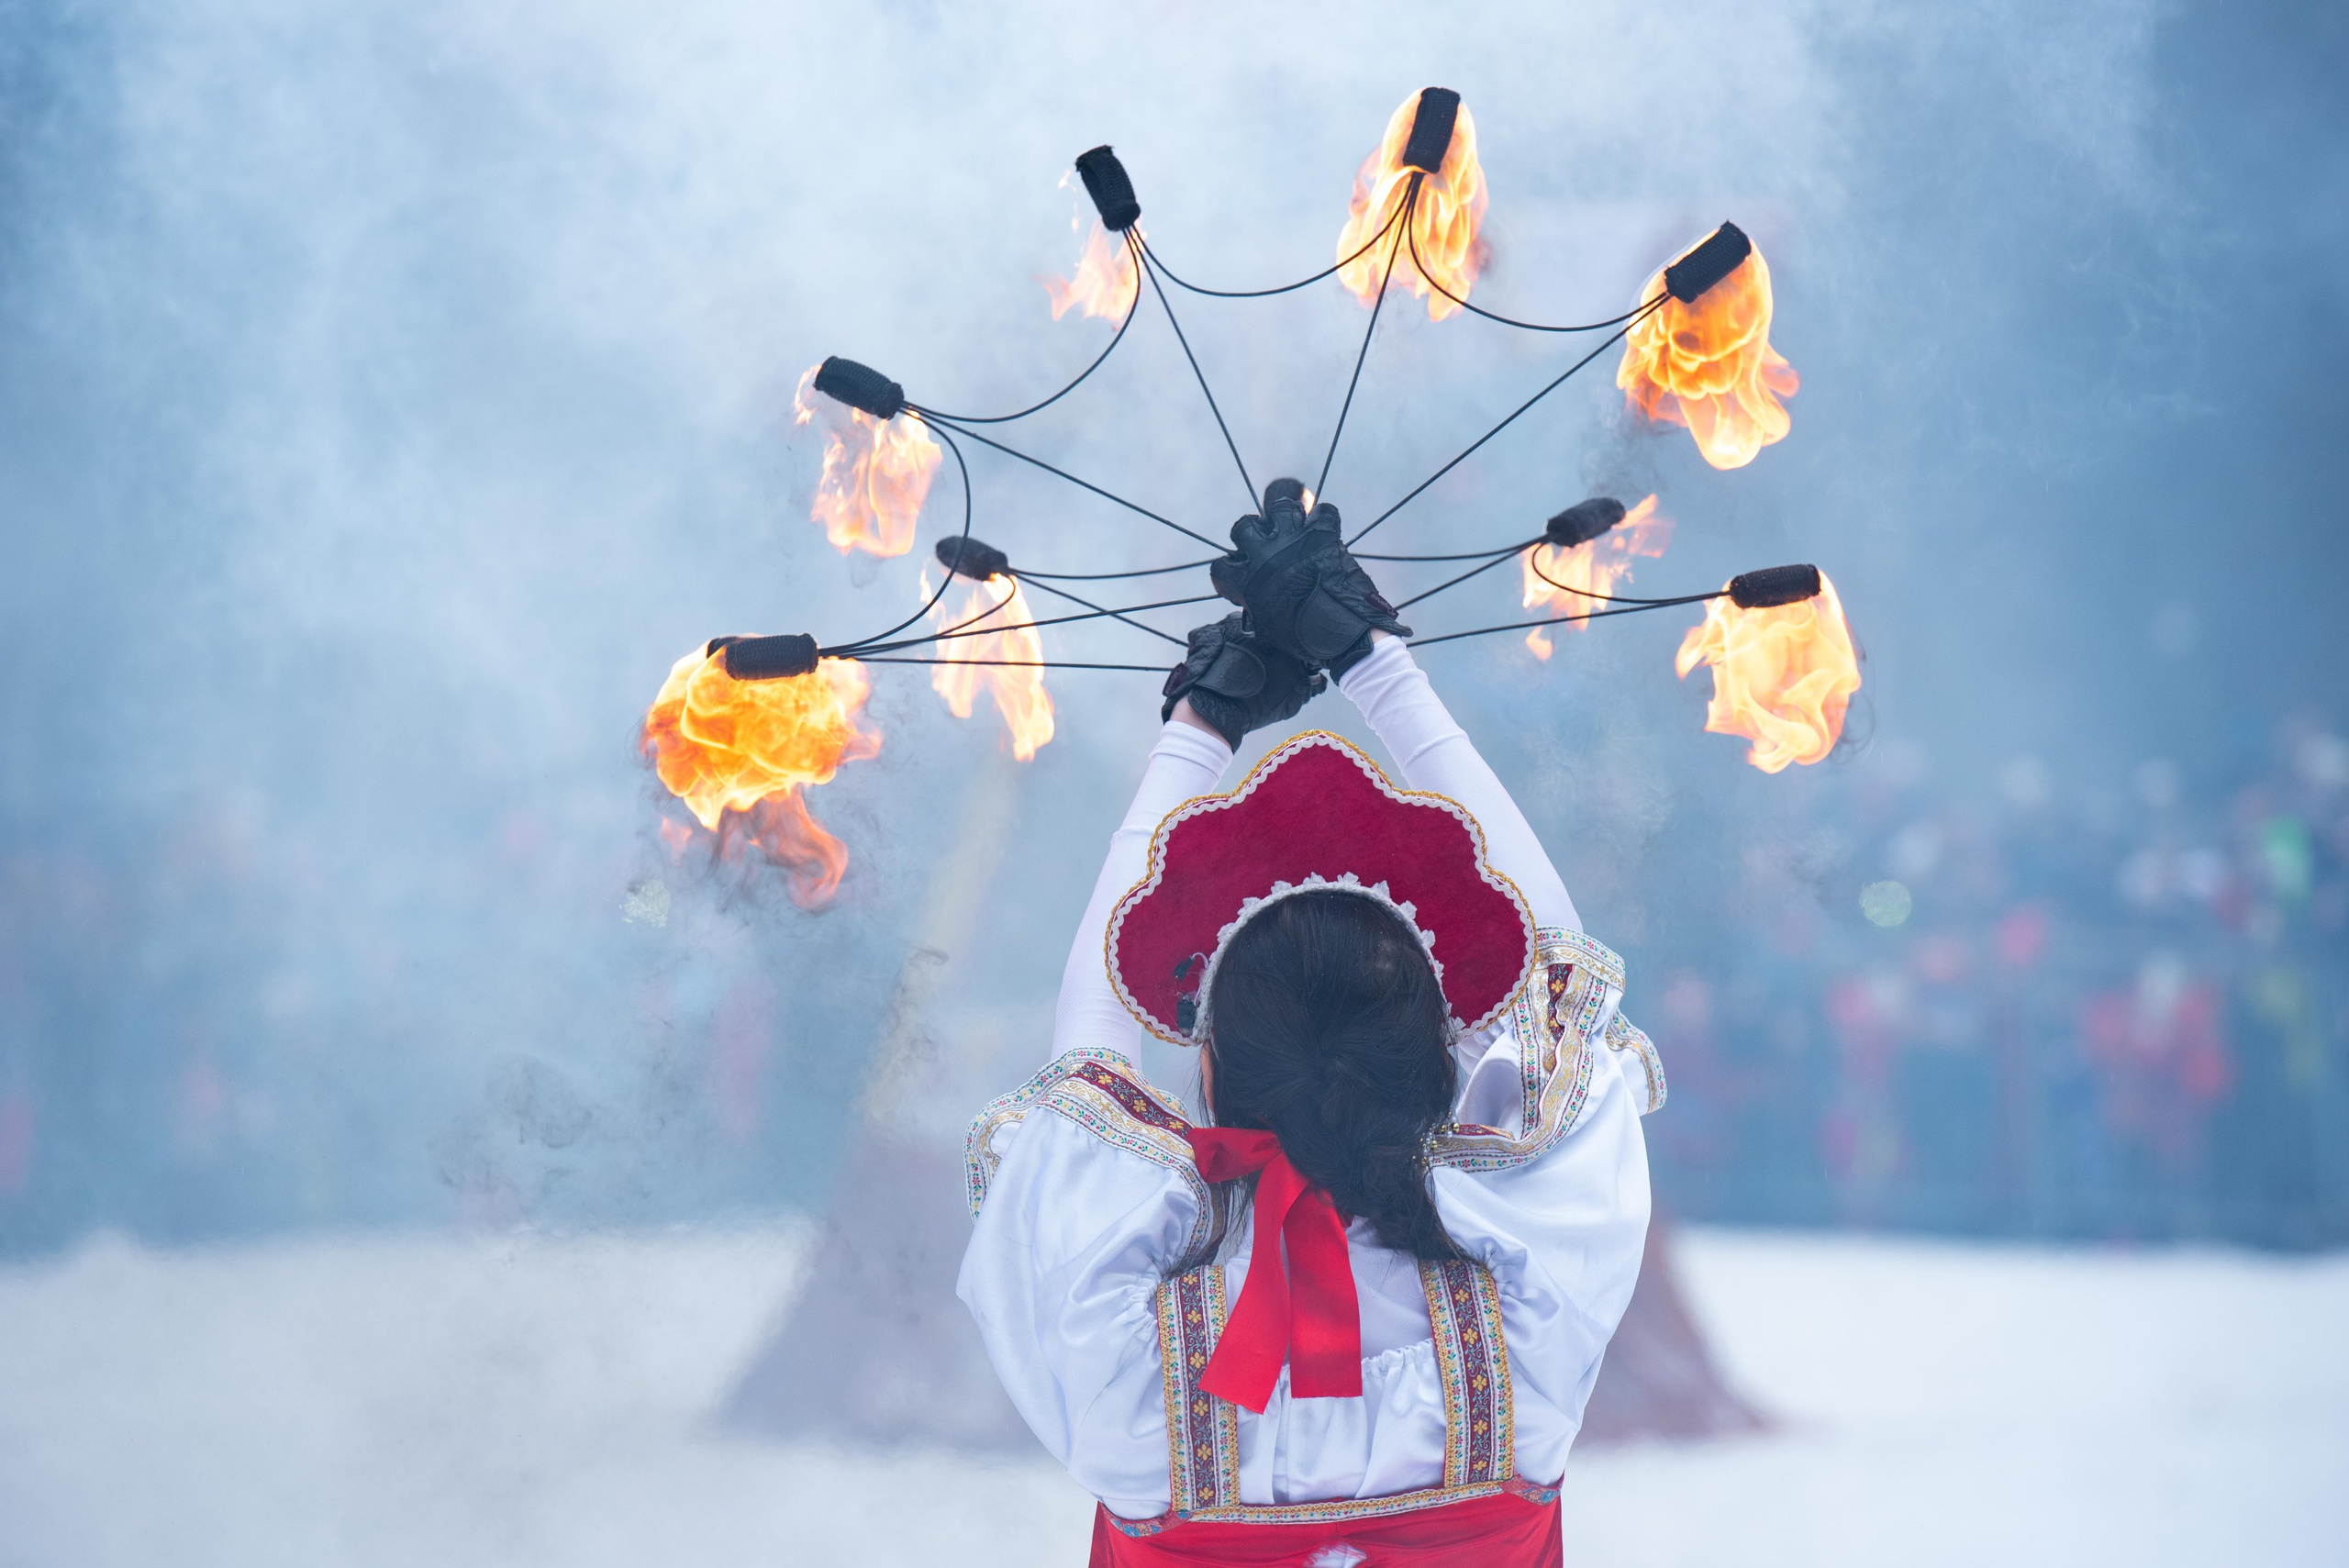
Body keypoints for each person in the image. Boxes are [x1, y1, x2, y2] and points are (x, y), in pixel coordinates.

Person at [960, 482, 1663, 1566]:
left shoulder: (1126, 1354)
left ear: (1211, 1070)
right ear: (1443, 1053)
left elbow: (1082, 1071)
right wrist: (1375, 663)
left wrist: (1201, 724)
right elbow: (1558, 982)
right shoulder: (1529, 1314)